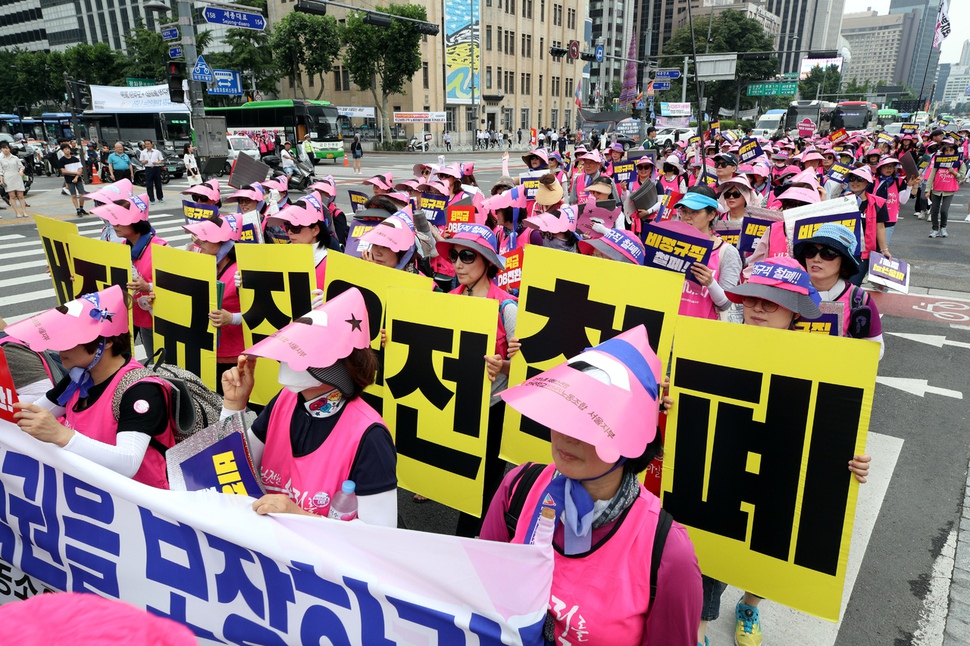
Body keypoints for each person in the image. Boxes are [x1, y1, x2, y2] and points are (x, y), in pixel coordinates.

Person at [480, 325, 703, 644]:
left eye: (593, 421)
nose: (567, 434)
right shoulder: (518, 488)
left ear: (632, 437)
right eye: (565, 409)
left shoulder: (668, 553)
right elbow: (480, 594)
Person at [693, 256, 871, 646]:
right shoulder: (716, 341)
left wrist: (852, 462)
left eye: (769, 302)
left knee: (772, 544)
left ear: (793, 311)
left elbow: (830, 431)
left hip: (778, 469)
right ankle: (700, 629)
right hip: (727, 461)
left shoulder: (822, 360)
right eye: (751, 298)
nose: (756, 307)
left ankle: (751, 605)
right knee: (711, 547)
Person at [221, 288, 398, 527]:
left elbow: (381, 536)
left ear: (339, 365)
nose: (283, 360)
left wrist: (300, 517)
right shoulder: (284, 400)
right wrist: (234, 405)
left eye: (298, 352)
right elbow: (227, 467)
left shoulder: (370, 436)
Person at [7, 285, 177, 488]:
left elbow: (128, 462)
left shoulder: (141, 390)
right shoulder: (79, 375)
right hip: (93, 491)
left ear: (105, 342)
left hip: (139, 505)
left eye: (70, 339)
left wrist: (61, 434)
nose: (59, 348)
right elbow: (34, 411)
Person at [435, 224, 518, 537]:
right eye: (454, 255)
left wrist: (503, 365)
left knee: (483, 490)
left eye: (467, 256)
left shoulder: (507, 308)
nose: (457, 264)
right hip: (459, 402)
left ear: (487, 262)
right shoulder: (450, 298)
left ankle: (472, 543)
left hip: (494, 409)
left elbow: (525, 369)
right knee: (459, 478)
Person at [90, 196, 168, 359]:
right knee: (120, 361)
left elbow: (176, 286)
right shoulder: (122, 247)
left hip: (152, 322)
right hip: (126, 316)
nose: (114, 224)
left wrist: (148, 287)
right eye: (113, 220)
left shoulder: (161, 249)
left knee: (157, 362)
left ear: (137, 221)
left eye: (120, 220)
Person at [792, 223, 886, 357]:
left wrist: (844, 349)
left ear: (844, 262)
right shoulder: (789, 290)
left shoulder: (859, 299)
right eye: (811, 252)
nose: (816, 259)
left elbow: (877, 350)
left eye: (827, 254)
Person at [182, 215, 244, 389]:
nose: (199, 242)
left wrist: (231, 318)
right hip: (205, 349)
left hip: (233, 353)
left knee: (233, 405)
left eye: (205, 237)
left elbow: (260, 313)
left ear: (222, 241)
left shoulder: (240, 271)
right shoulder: (204, 263)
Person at [676, 186, 742, 321]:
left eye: (694, 212)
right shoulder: (670, 244)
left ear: (711, 215)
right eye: (683, 211)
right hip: (670, 325)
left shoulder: (727, 252)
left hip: (703, 329)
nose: (687, 217)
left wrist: (710, 283)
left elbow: (725, 303)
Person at [926, 140, 967, 238]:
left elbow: (961, 177)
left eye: (951, 150)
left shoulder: (960, 163)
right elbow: (931, 176)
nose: (948, 153)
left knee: (944, 210)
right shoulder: (938, 161)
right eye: (946, 151)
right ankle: (935, 229)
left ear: (954, 152)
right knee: (934, 210)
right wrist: (927, 190)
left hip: (949, 190)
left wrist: (953, 172)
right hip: (936, 189)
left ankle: (943, 228)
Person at [57, 143, 87, 217]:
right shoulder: (62, 160)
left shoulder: (75, 159)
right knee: (73, 195)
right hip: (69, 179)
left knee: (82, 194)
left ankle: (81, 207)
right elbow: (63, 171)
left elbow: (80, 169)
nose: (67, 150)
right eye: (65, 149)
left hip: (78, 178)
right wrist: (74, 173)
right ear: (63, 151)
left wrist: (76, 177)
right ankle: (77, 209)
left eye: (68, 149)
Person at [0, 140, 28, 218]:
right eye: (3, 148)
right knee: (12, 196)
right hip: (7, 178)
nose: (5, 150)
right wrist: (1, 180)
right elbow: (0, 171)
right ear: (1, 149)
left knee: (21, 195)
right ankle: (17, 212)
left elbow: (21, 166)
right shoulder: (0, 159)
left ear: (9, 149)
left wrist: (21, 170)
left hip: (17, 177)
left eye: (7, 148)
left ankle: (24, 212)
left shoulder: (15, 158)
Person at [139, 140, 165, 204]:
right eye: (146, 144)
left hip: (156, 168)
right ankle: (151, 199)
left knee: (158, 183)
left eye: (148, 144)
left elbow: (161, 160)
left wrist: (157, 162)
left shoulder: (157, 152)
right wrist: (144, 162)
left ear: (151, 144)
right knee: (149, 184)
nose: (147, 145)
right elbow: (141, 161)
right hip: (148, 168)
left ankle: (160, 197)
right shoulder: (143, 152)